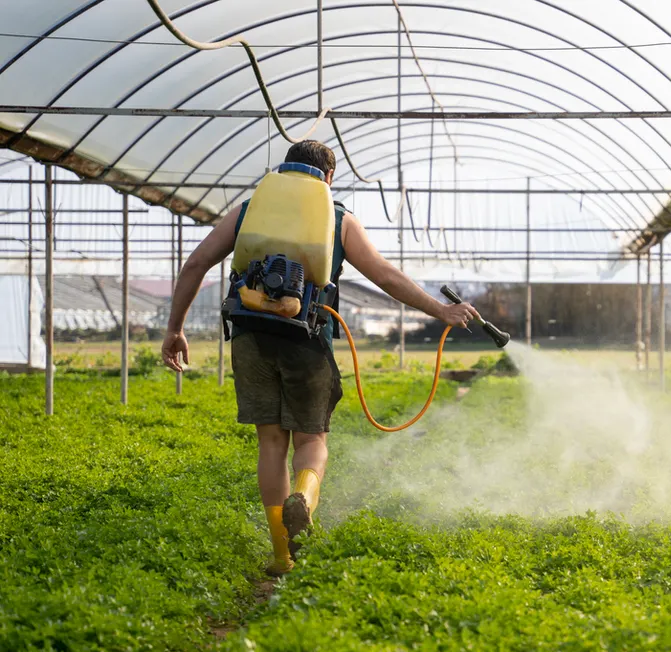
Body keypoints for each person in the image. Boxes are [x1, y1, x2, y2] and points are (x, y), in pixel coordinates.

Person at [160, 140, 479, 576]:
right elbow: (384, 275)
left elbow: (195, 263)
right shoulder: (339, 218)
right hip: (306, 339)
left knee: (270, 442)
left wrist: (175, 329)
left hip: (250, 337)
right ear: (328, 178)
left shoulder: (250, 209)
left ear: (285, 167)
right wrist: (440, 310)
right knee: (311, 442)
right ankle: (304, 500)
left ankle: (280, 556)